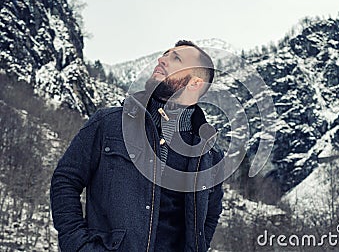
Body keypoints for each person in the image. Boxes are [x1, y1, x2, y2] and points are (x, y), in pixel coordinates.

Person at [50, 40, 225, 252]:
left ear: (195, 83)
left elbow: (210, 215)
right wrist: (76, 245)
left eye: (175, 59)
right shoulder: (109, 123)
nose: (161, 60)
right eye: (165, 55)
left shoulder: (210, 155)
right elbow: (66, 180)